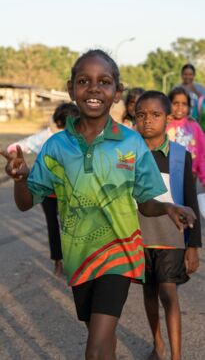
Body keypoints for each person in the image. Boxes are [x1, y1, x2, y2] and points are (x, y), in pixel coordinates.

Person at [0, 50, 196, 360]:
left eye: (103, 82)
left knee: (94, 347)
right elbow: (25, 204)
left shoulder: (131, 144)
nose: (93, 88)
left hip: (120, 254)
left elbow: (146, 202)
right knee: (99, 333)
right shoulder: (56, 146)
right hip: (79, 258)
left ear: (117, 93)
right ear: (70, 89)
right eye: (84, 81)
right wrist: (21, 178)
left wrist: (168, 208)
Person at [135, 90, 201, 360]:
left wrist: (193, 245)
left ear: (167, 118)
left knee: (168, 292)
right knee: (149, 293)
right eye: (141, 115)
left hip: (171, 236)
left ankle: (176, 355)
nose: (147, 121)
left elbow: (190, 201)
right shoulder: (129, 154)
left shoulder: (179, 156)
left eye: (155, 115)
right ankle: (157, 343)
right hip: (139, 237)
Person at [7, 102, 79, 276]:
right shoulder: (73, 138)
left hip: (53, 192)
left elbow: (13, 148)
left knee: (54, 226)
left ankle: (58, 262)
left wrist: (14, 157)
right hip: (58, 192)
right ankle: (69, 262)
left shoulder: (48, 137)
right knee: (70, 227)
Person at [166, 87, 205, 189]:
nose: (180, 107)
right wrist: (165, 123)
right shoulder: (164, 125)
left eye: (184, 104)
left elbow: (202, 155)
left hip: (191, 176)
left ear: (189, 106)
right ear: (168, 104)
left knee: (190, 204)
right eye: (175, 103)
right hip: (168, 176)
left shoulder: (194, 126)